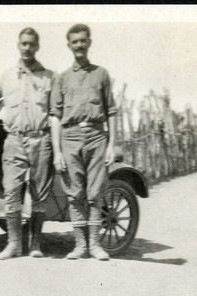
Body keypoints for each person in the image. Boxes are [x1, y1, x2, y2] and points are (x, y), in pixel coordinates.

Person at [0, 27, 55, 260]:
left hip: (40, 139)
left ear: (37, 47)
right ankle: (14, 244)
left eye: (31, 44)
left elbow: (57, 113)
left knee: (39, 195)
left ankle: (35, 244)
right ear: (18, 45)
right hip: (14, 140)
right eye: (23, 44)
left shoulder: (49, 77)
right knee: (11, 191)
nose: (27, 48)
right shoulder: (6, 77)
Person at [50, 23, 118, 260]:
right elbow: (55, 117)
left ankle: (95, 245)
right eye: (74, 41)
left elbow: (111, 111)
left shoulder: (101, 74)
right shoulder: (62, 78)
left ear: (89, 42)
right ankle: (80, 246)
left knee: (95, 193)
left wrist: (111, 144)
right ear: (69, 45)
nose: (79, 45)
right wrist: (57, 152)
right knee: (75, 193)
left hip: (96, 136)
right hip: (70, 138)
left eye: (83, 40)